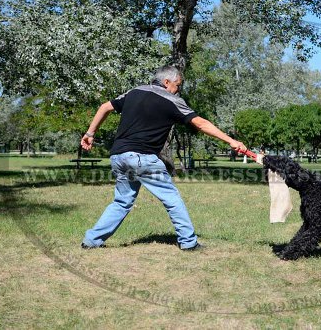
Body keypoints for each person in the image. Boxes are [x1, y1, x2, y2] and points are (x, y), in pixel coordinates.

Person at [80, 65, 246, 251]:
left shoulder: (134, 91)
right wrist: (230, 140)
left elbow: (105, 107)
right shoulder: (172, 99)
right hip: (143, 158)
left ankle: (91, 240)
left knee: (122, 201)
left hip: (119, 156)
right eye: (178, 85)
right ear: (166, 82)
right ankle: (189, 243)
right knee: (172, 199)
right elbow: (200, 123)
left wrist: (90, 133)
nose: (178, 89)